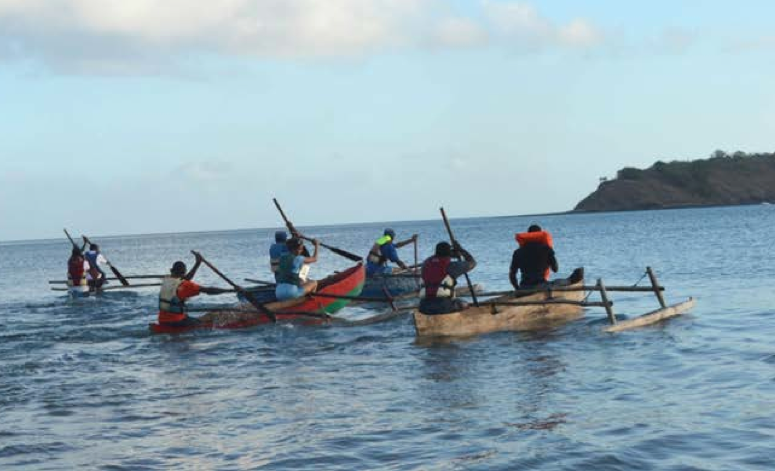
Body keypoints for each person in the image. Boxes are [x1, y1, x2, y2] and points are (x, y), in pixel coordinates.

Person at [158, 253, 231, 327]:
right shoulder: (185, 285)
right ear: (184, 272)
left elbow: (185, 279)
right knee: (210, 317)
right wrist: (229, 290)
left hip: (162, 320)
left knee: (201, 318)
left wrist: (197, 263)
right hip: (177, 322)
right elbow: (208, 290)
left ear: (171, 271)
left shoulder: (167, 280)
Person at [418, 241, 476, 315]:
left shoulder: (425, 264)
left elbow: (439, 257)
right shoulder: (451, 266)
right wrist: (461, 250)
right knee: (464, 304)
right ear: (449, 253)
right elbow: (472, 263)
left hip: (423, 307)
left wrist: (454, 253)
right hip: (443, 306)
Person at [509, 224, 558, 290]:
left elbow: (512, 274)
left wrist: (517, 289)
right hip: (542, 285)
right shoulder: (546, 249)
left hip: (524, 286)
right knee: (560, 282)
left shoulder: (517, 252)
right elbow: (555, 269)